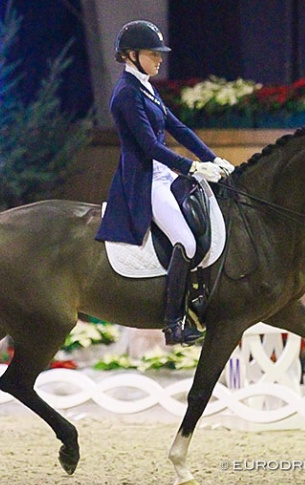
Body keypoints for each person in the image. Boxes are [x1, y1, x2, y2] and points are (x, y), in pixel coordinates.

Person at [95, 20, 235, 345]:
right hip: (145, 180)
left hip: (164, 173)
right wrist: (193, 168)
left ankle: (198, 299)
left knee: (205, 219)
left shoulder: (145, 86)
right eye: (152, 53)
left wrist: (212, 158)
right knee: (184, 242)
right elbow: (150, 147)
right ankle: (173, 323)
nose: (159, 59)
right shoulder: (126, 95)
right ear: (131, 54)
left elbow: (179, 128)